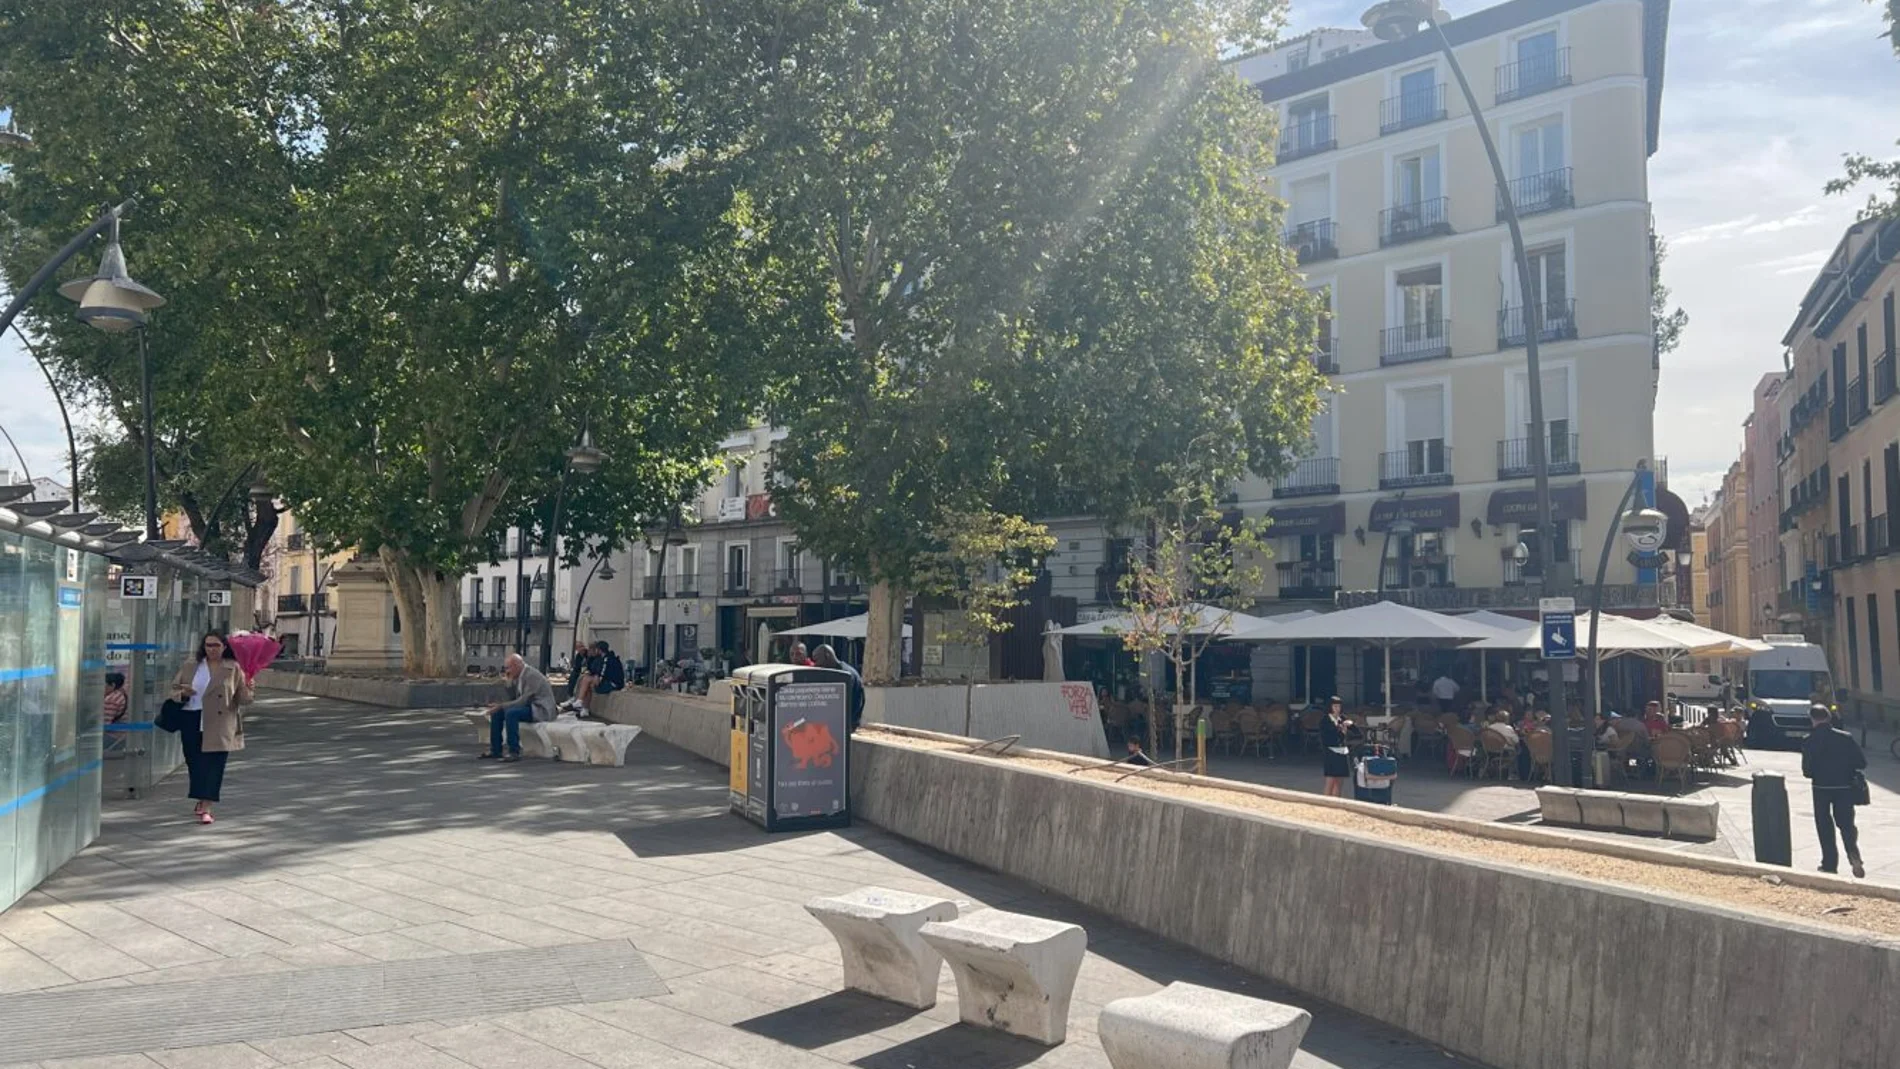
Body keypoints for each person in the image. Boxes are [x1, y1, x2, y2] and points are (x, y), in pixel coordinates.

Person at [170, 632, 254, 825]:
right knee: (195, 763)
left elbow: (244, 699)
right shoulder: (192, 665)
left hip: (220, 722)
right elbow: (173, 689)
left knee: (214, 766)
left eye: (216, 645)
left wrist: (249, 686)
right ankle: (201, 798)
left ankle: (207, 807)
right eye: (208, 645)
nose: (212, 649)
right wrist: (183, 693)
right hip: (192, 717)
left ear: (224, 646)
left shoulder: (233, 667)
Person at [1801, 704, 1868, 878]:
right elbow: (1861, 763)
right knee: (1846, 825)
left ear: (1812, 719)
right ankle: (1853, 854)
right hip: (1844, 787)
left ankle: (1829, 864)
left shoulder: (1808, 740)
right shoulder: (1846, 738)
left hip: (1820, 788)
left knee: (1824, 826)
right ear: (1829, 717)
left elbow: (1807, 772)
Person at [479, 653, 557, 763]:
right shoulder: (519, 675)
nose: (507, 671)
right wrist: (509, 682)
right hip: (528, 706)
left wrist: (501, 705)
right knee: (497, 713)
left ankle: (514, 751)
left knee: (511, 714)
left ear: (517, 665)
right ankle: (495, 750)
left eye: (508, 668)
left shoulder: (531, 675)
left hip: (540, 709)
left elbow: (522, 701)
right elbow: (513, 698)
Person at [811, 644, 865, 730]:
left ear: (827, 655)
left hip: (846, 724)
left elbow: (843, 703)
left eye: (817, 660)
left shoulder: (844, 674)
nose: (815, 664)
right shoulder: (837, 672)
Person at [1320, 696, 1352, 797]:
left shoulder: (1342, 718)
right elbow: (1327, 736)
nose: (1337, 708)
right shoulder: (1325, 720)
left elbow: (1354, 730)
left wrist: (1350, 724)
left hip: (1342, 750)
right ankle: (1326, 801)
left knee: (1340, 781)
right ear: (1330, 707)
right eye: (1335, 706)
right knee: (1330, 780)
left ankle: (1337, 801)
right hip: (1330, 751)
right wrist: (1340, 727)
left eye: (1339, 706)